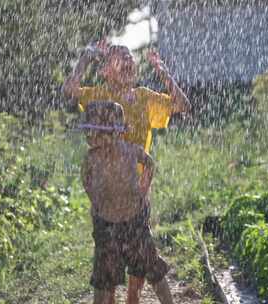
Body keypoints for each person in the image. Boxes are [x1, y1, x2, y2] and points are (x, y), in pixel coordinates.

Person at [63, 41, 190, 303]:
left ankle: (133, 296)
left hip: (136, 190)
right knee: (108, 265)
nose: (128, 62)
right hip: (107, 193)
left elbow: (182, 105)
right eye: (120, 58)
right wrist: (86, 58)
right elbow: (69, 90)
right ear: (105, 71)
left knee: (139, 258)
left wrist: (163, 71)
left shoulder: (143, 97)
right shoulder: (97, 95)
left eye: (130, 58)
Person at [80, 101, 174, 304]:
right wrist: (93, 196)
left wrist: (143, 187)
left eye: (93, 132)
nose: (88, 137)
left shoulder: (130, 151)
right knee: (103, 277)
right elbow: (85, 177)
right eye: (86, 132)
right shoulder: (91, 158)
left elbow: (149, 163)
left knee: (151, 267)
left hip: (134, 220)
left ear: (114, 133)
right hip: (105, 222)